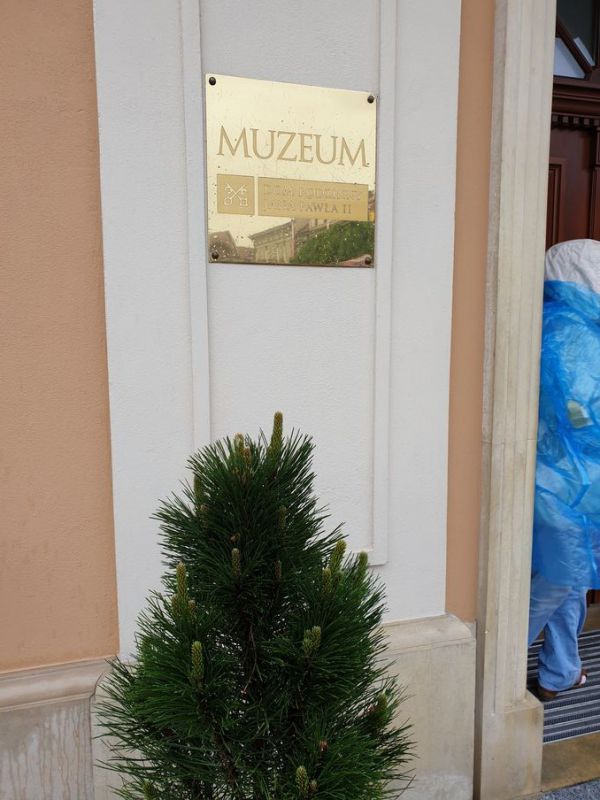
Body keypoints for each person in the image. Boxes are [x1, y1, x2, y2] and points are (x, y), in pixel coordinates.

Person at [530, 239, 600, 701]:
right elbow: (582, 415)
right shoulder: (574, 333)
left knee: (568, 579)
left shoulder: (557, 322)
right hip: (569, 486)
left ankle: (560, 671)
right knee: (560, 580)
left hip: (558, 482)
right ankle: (494, 670)